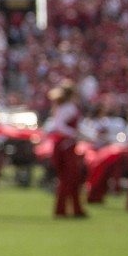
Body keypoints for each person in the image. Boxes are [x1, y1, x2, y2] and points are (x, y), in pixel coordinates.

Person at [46, 80, 87, 218]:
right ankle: (62, 210)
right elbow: (59, 126)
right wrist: (74, 134)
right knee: (67, 178)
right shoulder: (67, 108)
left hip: (68, 146)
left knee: (72, 178)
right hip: (65, 147)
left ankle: (75, 209)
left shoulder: (65, 107)